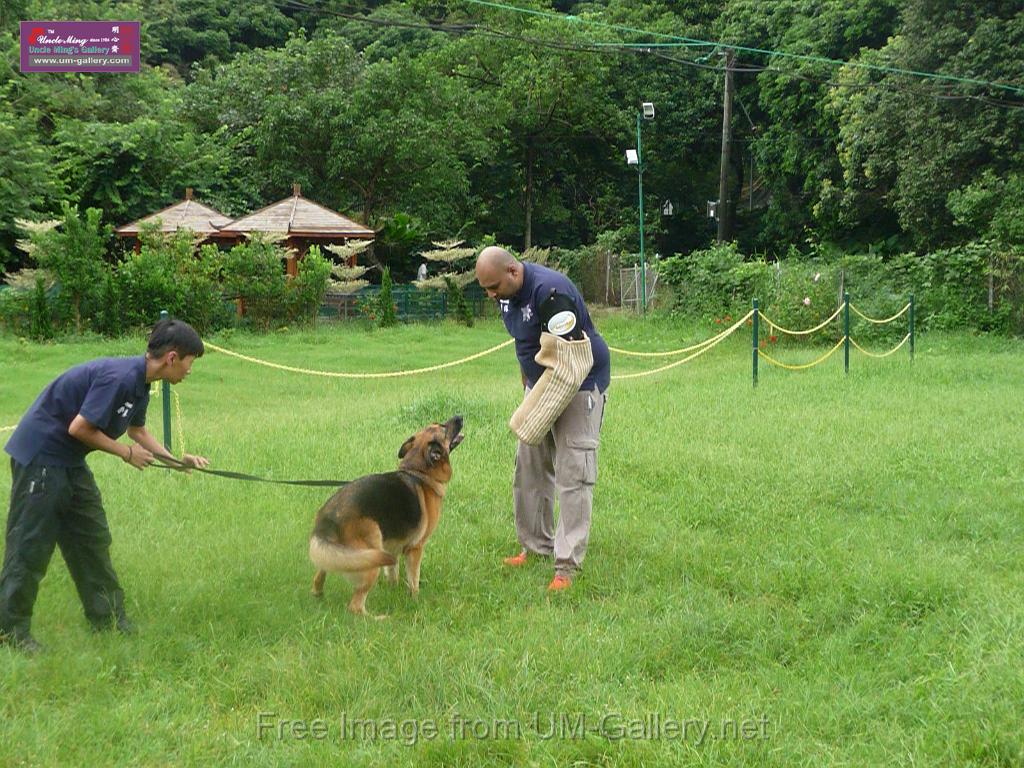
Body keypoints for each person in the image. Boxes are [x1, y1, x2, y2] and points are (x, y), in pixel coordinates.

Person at [0, 318, 210, 653]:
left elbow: (137, 432)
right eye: (190, 362)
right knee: (31, 544)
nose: (189, 370)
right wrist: (126, 454)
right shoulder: (120, 377)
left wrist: (176, 461)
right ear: (172, 357)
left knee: (91, 537)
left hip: (69, 462)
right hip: (41, 456)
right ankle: (10, 632)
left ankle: (108, 619)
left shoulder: (142, 383)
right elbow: (79, 427)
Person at [475, 246, 609, 592]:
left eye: (493, 287)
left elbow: (570, 360)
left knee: (573, 469)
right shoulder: (506, 294)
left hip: (579, 382)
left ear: (513, 273)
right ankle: (535, 546)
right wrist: (527, 382)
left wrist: (545, 408)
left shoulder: (551, 293)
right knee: (530, 465)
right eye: (485, 289)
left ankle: (566, 567)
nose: (490, 295)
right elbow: (526, 341)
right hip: (541, 383)